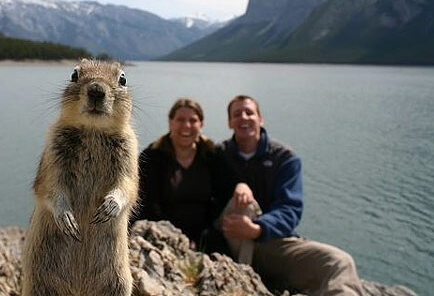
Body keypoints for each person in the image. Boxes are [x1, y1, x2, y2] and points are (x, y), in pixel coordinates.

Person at [217, 94, 365, 295]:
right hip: (228, 240)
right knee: (243, 204)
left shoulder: (284, 158)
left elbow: (290, 209)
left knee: (339, 262)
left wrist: (257, 229)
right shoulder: (218, 154)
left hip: (270, 244)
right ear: (229, 122)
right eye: (237, 114)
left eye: (249, 112)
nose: (244, 117)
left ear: (260, 119)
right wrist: (240, 186)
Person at [134, 98, 229, 252]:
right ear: (170, 122)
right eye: (180, 120)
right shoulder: (152, 157)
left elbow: (224, 196)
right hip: (161, 232)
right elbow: (146, 204)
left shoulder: (212, 155)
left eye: (193, 120)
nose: (186, 126)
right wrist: (175, 237)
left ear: (201, 125)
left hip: (205, 233)